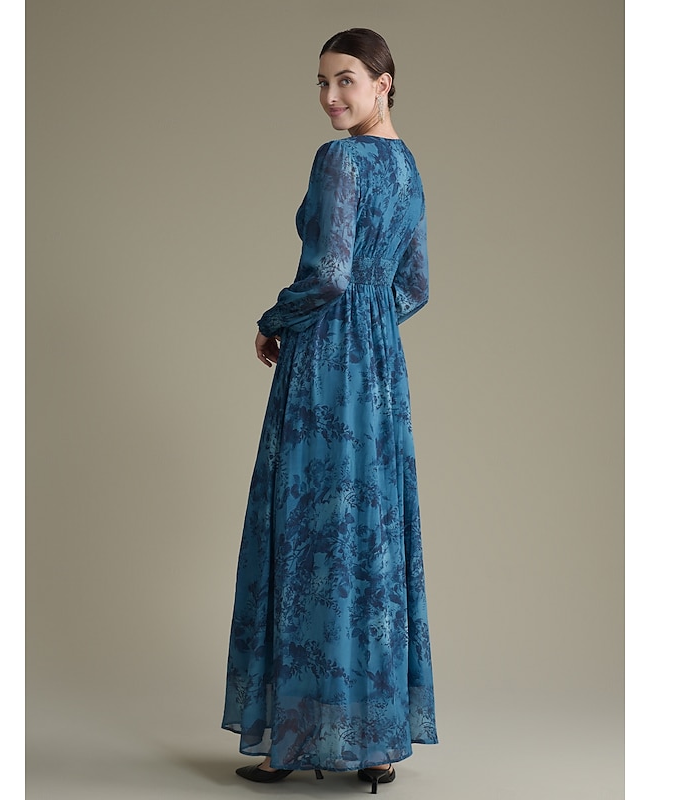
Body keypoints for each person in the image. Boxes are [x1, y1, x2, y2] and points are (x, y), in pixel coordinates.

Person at [222, 28, 438, 793]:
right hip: (380, 373)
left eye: (346, 79)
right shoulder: (408, 166)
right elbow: (414, 286)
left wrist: (275, 321)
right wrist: (372, 331)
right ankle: (373, 746)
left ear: (384, 82)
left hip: (324, 367)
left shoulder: (340, 160)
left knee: (311, 536)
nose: (331, 96)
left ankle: (292, 744)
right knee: (369, 540)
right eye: (321, 82)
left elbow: (331, 273)